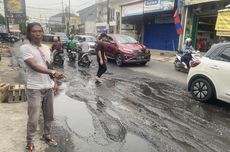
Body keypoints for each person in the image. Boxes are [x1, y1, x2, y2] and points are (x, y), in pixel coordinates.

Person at [20, 22, 65, 152]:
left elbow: (49, 66)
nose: (38, 33)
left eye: (40, 31)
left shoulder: (46, 48)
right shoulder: (25, 48)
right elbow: (34, 66)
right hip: (34, 88)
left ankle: (47, 135)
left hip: (48, 87)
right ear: (29, 33)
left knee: (49, 115)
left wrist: (55, 82)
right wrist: (53, 73)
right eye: (34, 31)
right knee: (33, 118)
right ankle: (29, 142)